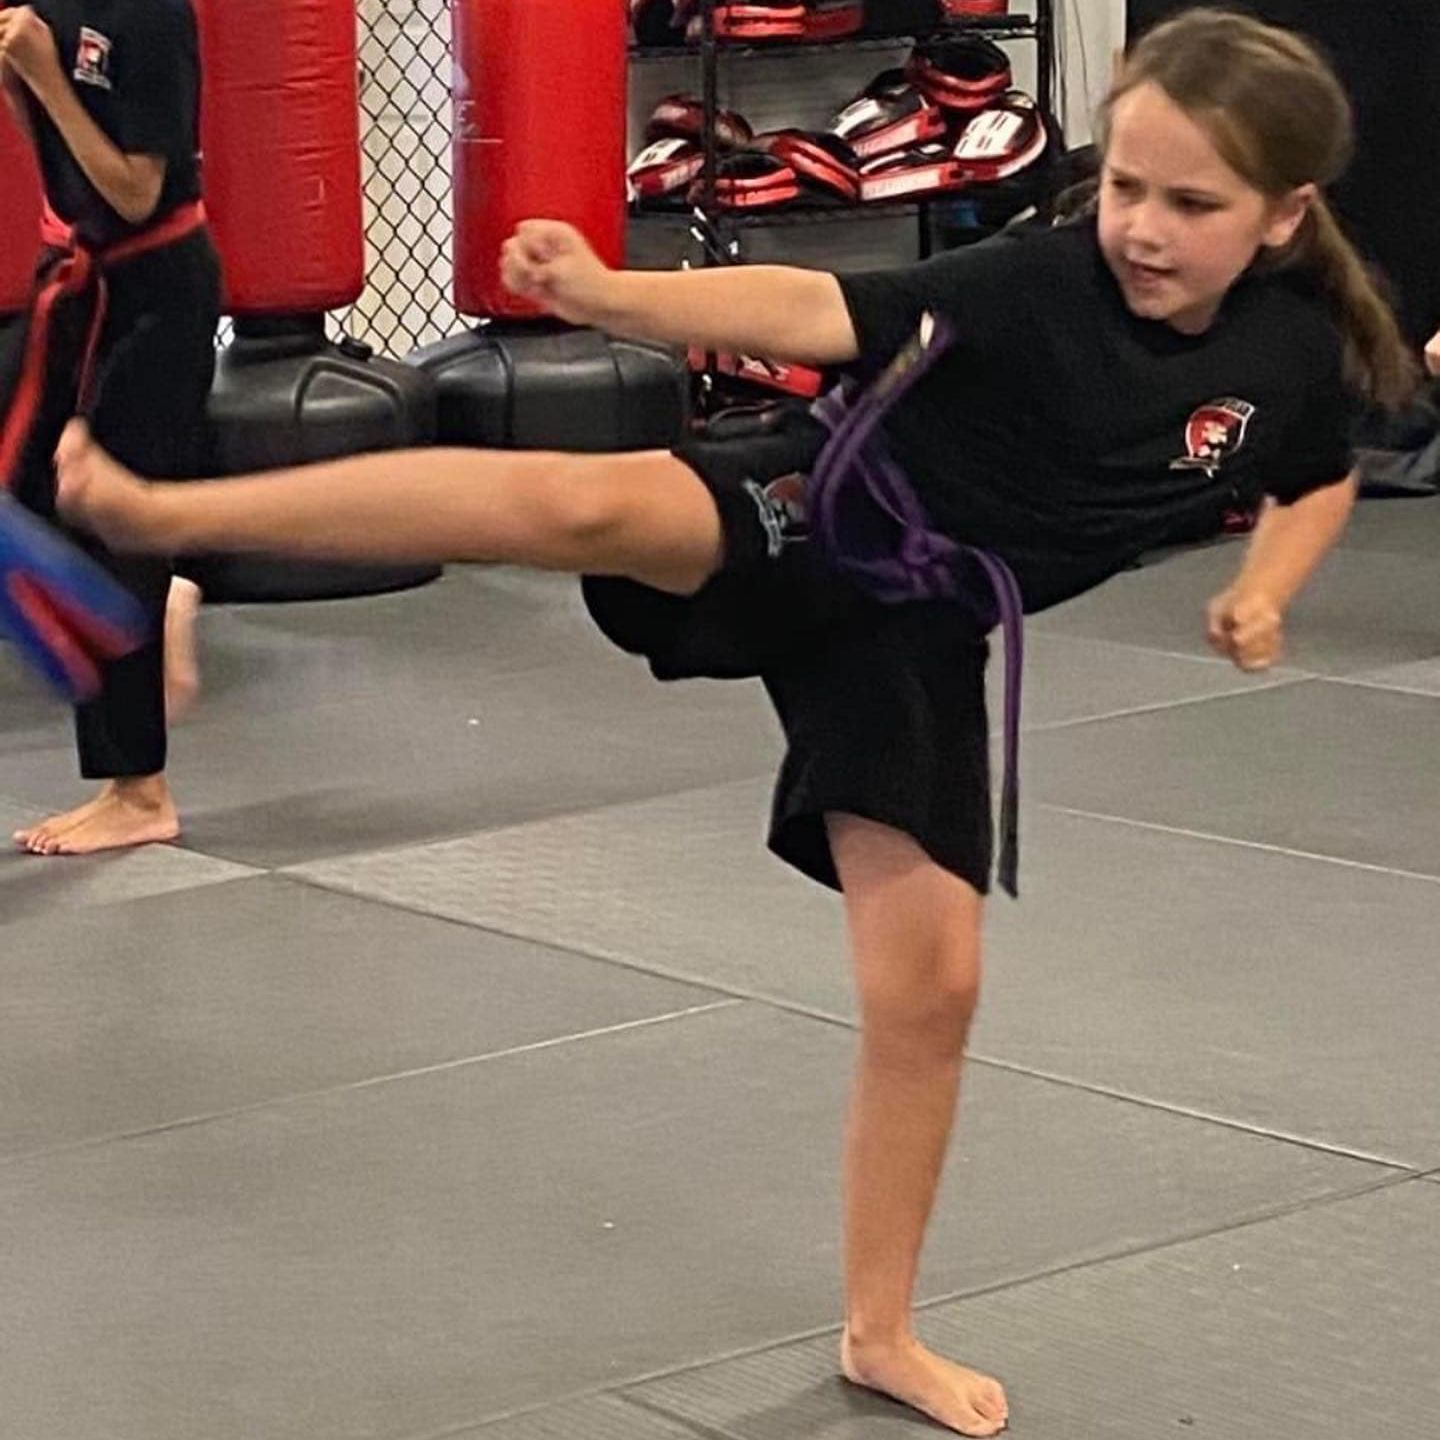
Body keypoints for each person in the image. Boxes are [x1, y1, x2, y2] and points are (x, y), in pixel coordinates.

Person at [53, 9, 1415, 1434]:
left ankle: (879, 1329)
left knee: (934, 988)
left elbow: (1315, 473)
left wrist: (1268, 587)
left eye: (1191, 204)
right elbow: (804, 311)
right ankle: (173, 517)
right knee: (586, 502)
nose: (1140, 226)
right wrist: (613, 295)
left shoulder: (1289, 355)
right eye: (1126, 184)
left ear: (1283, 217)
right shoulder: (1036, 282)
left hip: (916, 631)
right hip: (814, 510)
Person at [0, 0, 219, 855]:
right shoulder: (47, 4)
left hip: (157, 295)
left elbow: (135, 190)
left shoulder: (151, 14)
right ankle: (169, 599)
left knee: (114, 527)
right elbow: (63, 167)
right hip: (79, 283)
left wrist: (46, 75)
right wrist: (20, 85)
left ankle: (140, 792)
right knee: (21, 501)